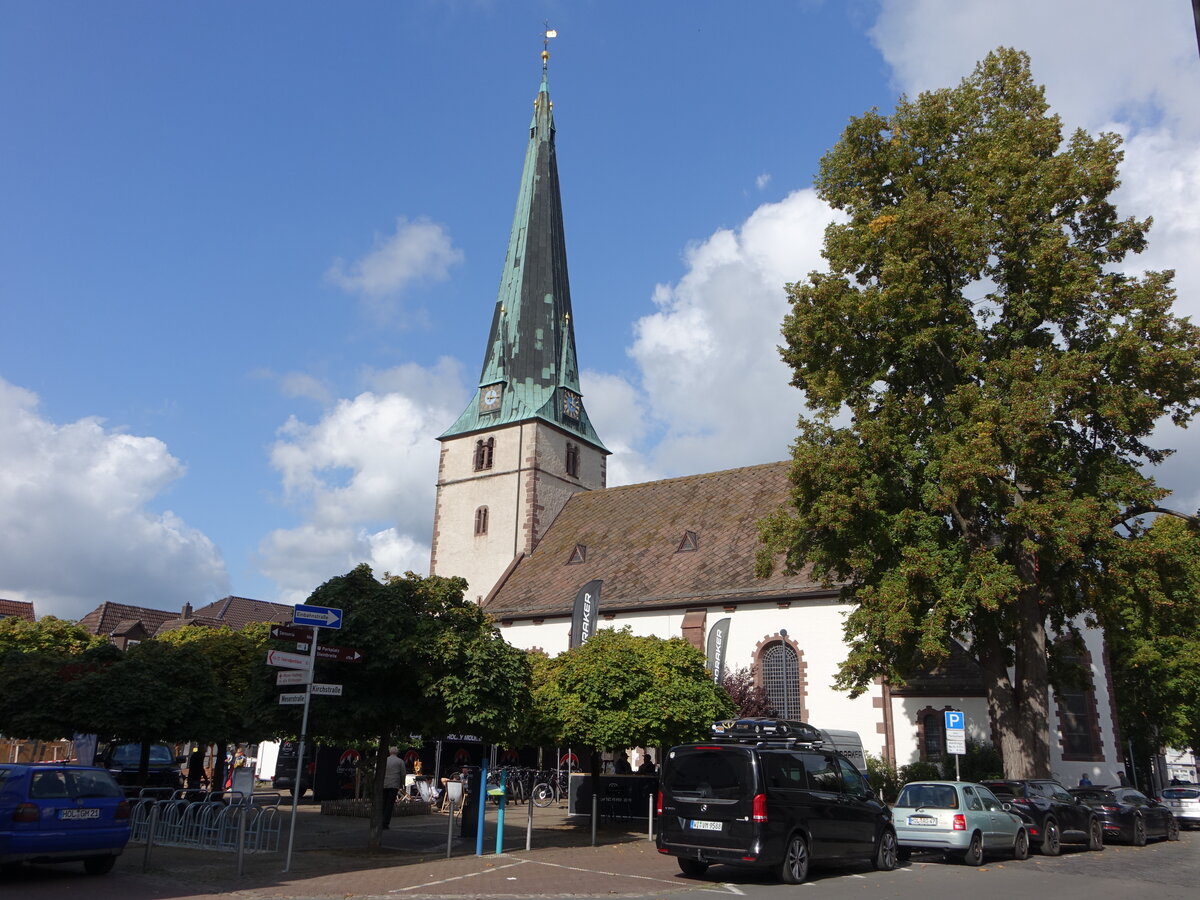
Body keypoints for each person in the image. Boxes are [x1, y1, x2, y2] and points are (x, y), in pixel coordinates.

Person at [381, 747, 406, 829]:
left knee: (383, 803)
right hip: (394, 784)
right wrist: (402, 784)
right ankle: (385, 823)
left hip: (384, 784)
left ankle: (380, 820)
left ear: (389, 752)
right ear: (397, 752)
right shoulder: (400, 761)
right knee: (390, 804)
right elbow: (403, 774)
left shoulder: (384, 760)